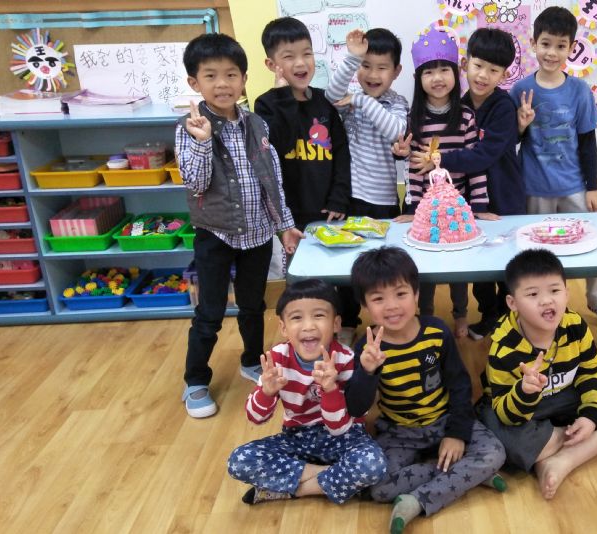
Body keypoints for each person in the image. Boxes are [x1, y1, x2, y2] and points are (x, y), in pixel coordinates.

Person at [176, 33, 303, 418]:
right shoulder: (189, 127)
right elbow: (196, 183)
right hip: (214, 234)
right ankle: (195, 379)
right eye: (211, 76)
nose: (222, 84)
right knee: (210, 312)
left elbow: (271, 179)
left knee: (253, 305)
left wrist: (285, 226)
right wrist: (202, 142)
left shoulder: (256, 124)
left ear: (244, 79)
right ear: (194, 82)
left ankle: (251, 360)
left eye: (231, 75)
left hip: (258, 234)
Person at [345, 246, 506, 534]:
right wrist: (367, 371)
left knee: (494, 453)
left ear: (417, 294)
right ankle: (464, 473)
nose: (392, 306)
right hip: (399, 432)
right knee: (377, 486)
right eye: (378, 298)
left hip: (445, 420)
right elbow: (356, 407)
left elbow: (460, 385)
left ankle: (417, 500)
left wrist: (456, 434)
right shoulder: (366, 348)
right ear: (365, 306)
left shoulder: (436, 332)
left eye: (400, 294)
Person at [476, 249, 597, 500]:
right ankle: (595, 437)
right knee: (501, 435)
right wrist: (524, 392)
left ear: (567, 293)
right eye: (533, 294)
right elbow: (506, 413)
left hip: (566, 396)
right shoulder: (504, 346)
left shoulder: (575, 325)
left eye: (554, 290)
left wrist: (590, 416)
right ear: (512, 303)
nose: (546, 301)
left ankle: (563, 460)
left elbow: (591, 371)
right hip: (521, 409)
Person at [406, 27, 524, 340]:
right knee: (480, 266)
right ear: (465, 64)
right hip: (471, 201)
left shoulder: (503, 107)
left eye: (493, 70)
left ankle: (510, 319)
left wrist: (438, 160)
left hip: (504, 197)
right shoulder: (460, 105)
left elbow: (482, 155)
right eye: (478, 65)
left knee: (507, 265)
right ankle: (489, 316)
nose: (483, 75)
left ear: (504, 75)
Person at [226, 279, 387, 505]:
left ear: (336, 323)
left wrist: (330, 389)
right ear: (283, 327)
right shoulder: (277, 358)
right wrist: (266, 392)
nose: (308, 326)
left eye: (319, 315)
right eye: (296, 317)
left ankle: (293, 490)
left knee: (373, 464)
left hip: (345, 437)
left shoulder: (346, 358)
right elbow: (255, 417)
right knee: (239, 460)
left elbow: (339, 427)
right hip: (297, 437)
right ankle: (335, 475)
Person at [393, 27, 495, 338]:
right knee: (423, 270)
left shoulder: (465, 117)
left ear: (455, 73)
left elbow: (475, 165)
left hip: (456, 212)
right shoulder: (414, 119)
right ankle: (425, 316)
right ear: (418, 78)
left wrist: (479, 206)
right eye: (429, 72)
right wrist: (413, 209)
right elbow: (414, 169)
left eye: (444, 70)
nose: (437, 78)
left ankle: (461, 315)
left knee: (458, 270)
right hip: (425, 214)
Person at [510, 7, 597, 317]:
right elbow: (510, 141)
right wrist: (520, 125)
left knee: (592, 244)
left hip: (574, 186)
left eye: (560, 45)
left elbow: (588, 142)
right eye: (546, 43)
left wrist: (593, 187)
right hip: (534, 187)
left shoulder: (579, 91)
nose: (552, 52)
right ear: (533, 43)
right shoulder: (520, 90)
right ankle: (539, 307)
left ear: (571, 48)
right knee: (537, 253)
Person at [325, 27, 408, 343]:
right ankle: (348, 322)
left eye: (381, 67)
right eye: (366, 65)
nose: (372, 74)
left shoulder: (396, 103)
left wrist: (361, 101)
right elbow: (330, 95)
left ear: (396, 71)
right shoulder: (346, 100)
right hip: (351, 199)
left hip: (384, 200)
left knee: (385, 268)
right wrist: (351, 58)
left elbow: (395, 131)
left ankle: (388, 319)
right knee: (349, 266)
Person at [254, 17, 352, 230]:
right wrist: (283, 98)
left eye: (307, 54)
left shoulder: (325, 101)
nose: (300, 63)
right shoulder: (266, 104)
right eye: (289, 56)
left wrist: (339, 197)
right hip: (290, 217)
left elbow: (342, 154)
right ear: (271, 65)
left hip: (329, 211)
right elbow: (279, 145)